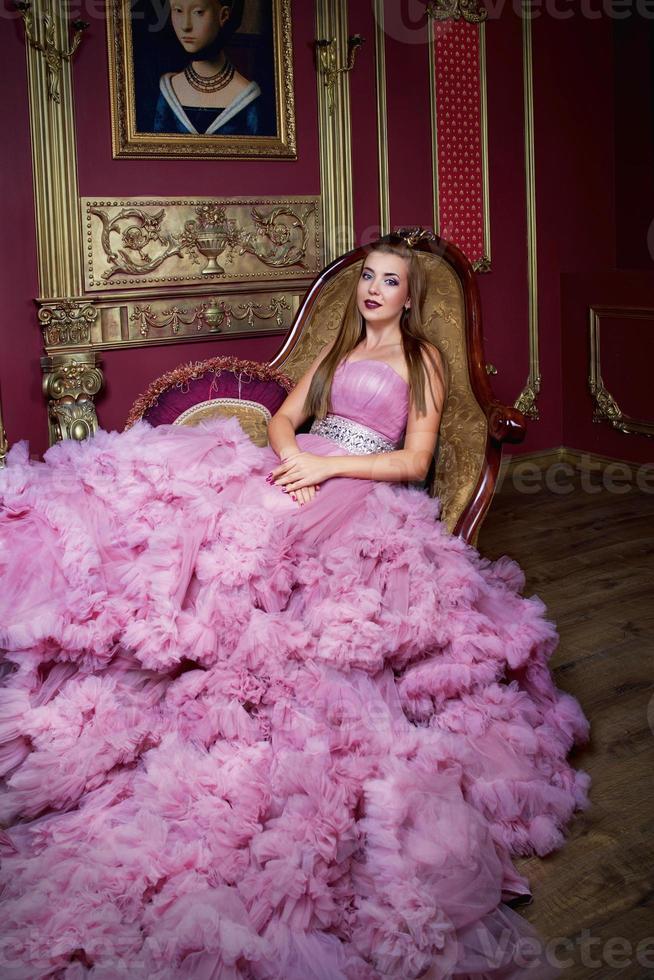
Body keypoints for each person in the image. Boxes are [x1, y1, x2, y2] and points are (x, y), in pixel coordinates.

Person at [0, 237, 589, 978]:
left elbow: (413, 459)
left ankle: (222, 671)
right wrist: (293, 460)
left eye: (390, 281)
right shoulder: (339, 348)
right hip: (304, 468)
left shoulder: (424, 361)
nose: (374, 290)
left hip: (362, 483)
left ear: (410, 298)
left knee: (268, 568)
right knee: (197, 526)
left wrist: (328, 464)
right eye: (369, 278)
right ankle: (149, 652)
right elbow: (283, 418)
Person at [154, 0, 265, 136]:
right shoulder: (169, 89)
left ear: (223, 15)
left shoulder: (247, 96)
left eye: (198, 12)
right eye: (178, 11)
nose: (185, 26)